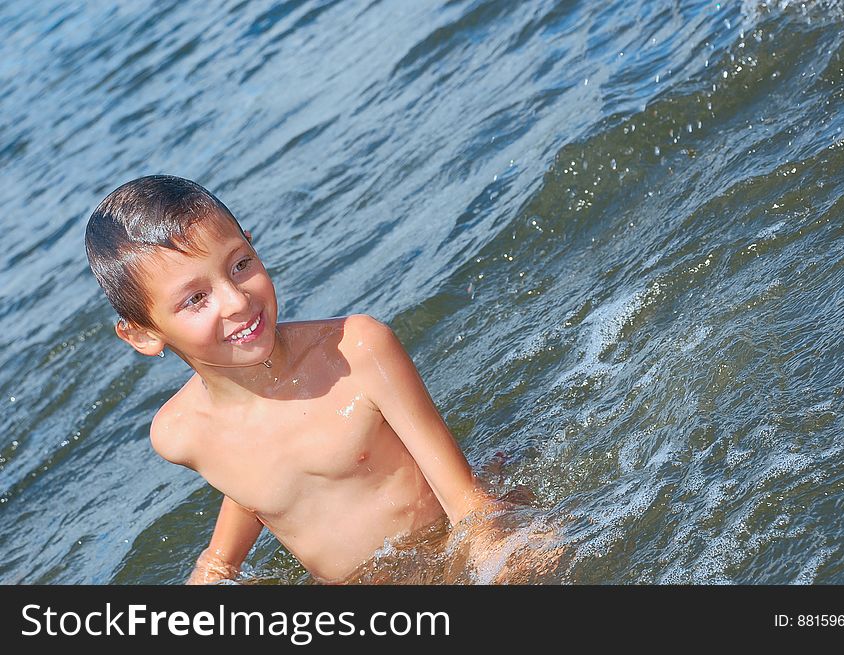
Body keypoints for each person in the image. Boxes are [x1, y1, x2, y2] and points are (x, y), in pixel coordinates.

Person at [84, 175, 540, 584]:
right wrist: (216, 566)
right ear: (143, 333)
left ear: (251, 243)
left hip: (450, 549)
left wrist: (495, 560)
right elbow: (256, 479)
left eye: (239, 264)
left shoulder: (358, 350)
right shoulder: (181, 435)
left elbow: (470, 505)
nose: (236, 300)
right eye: (196, 298)